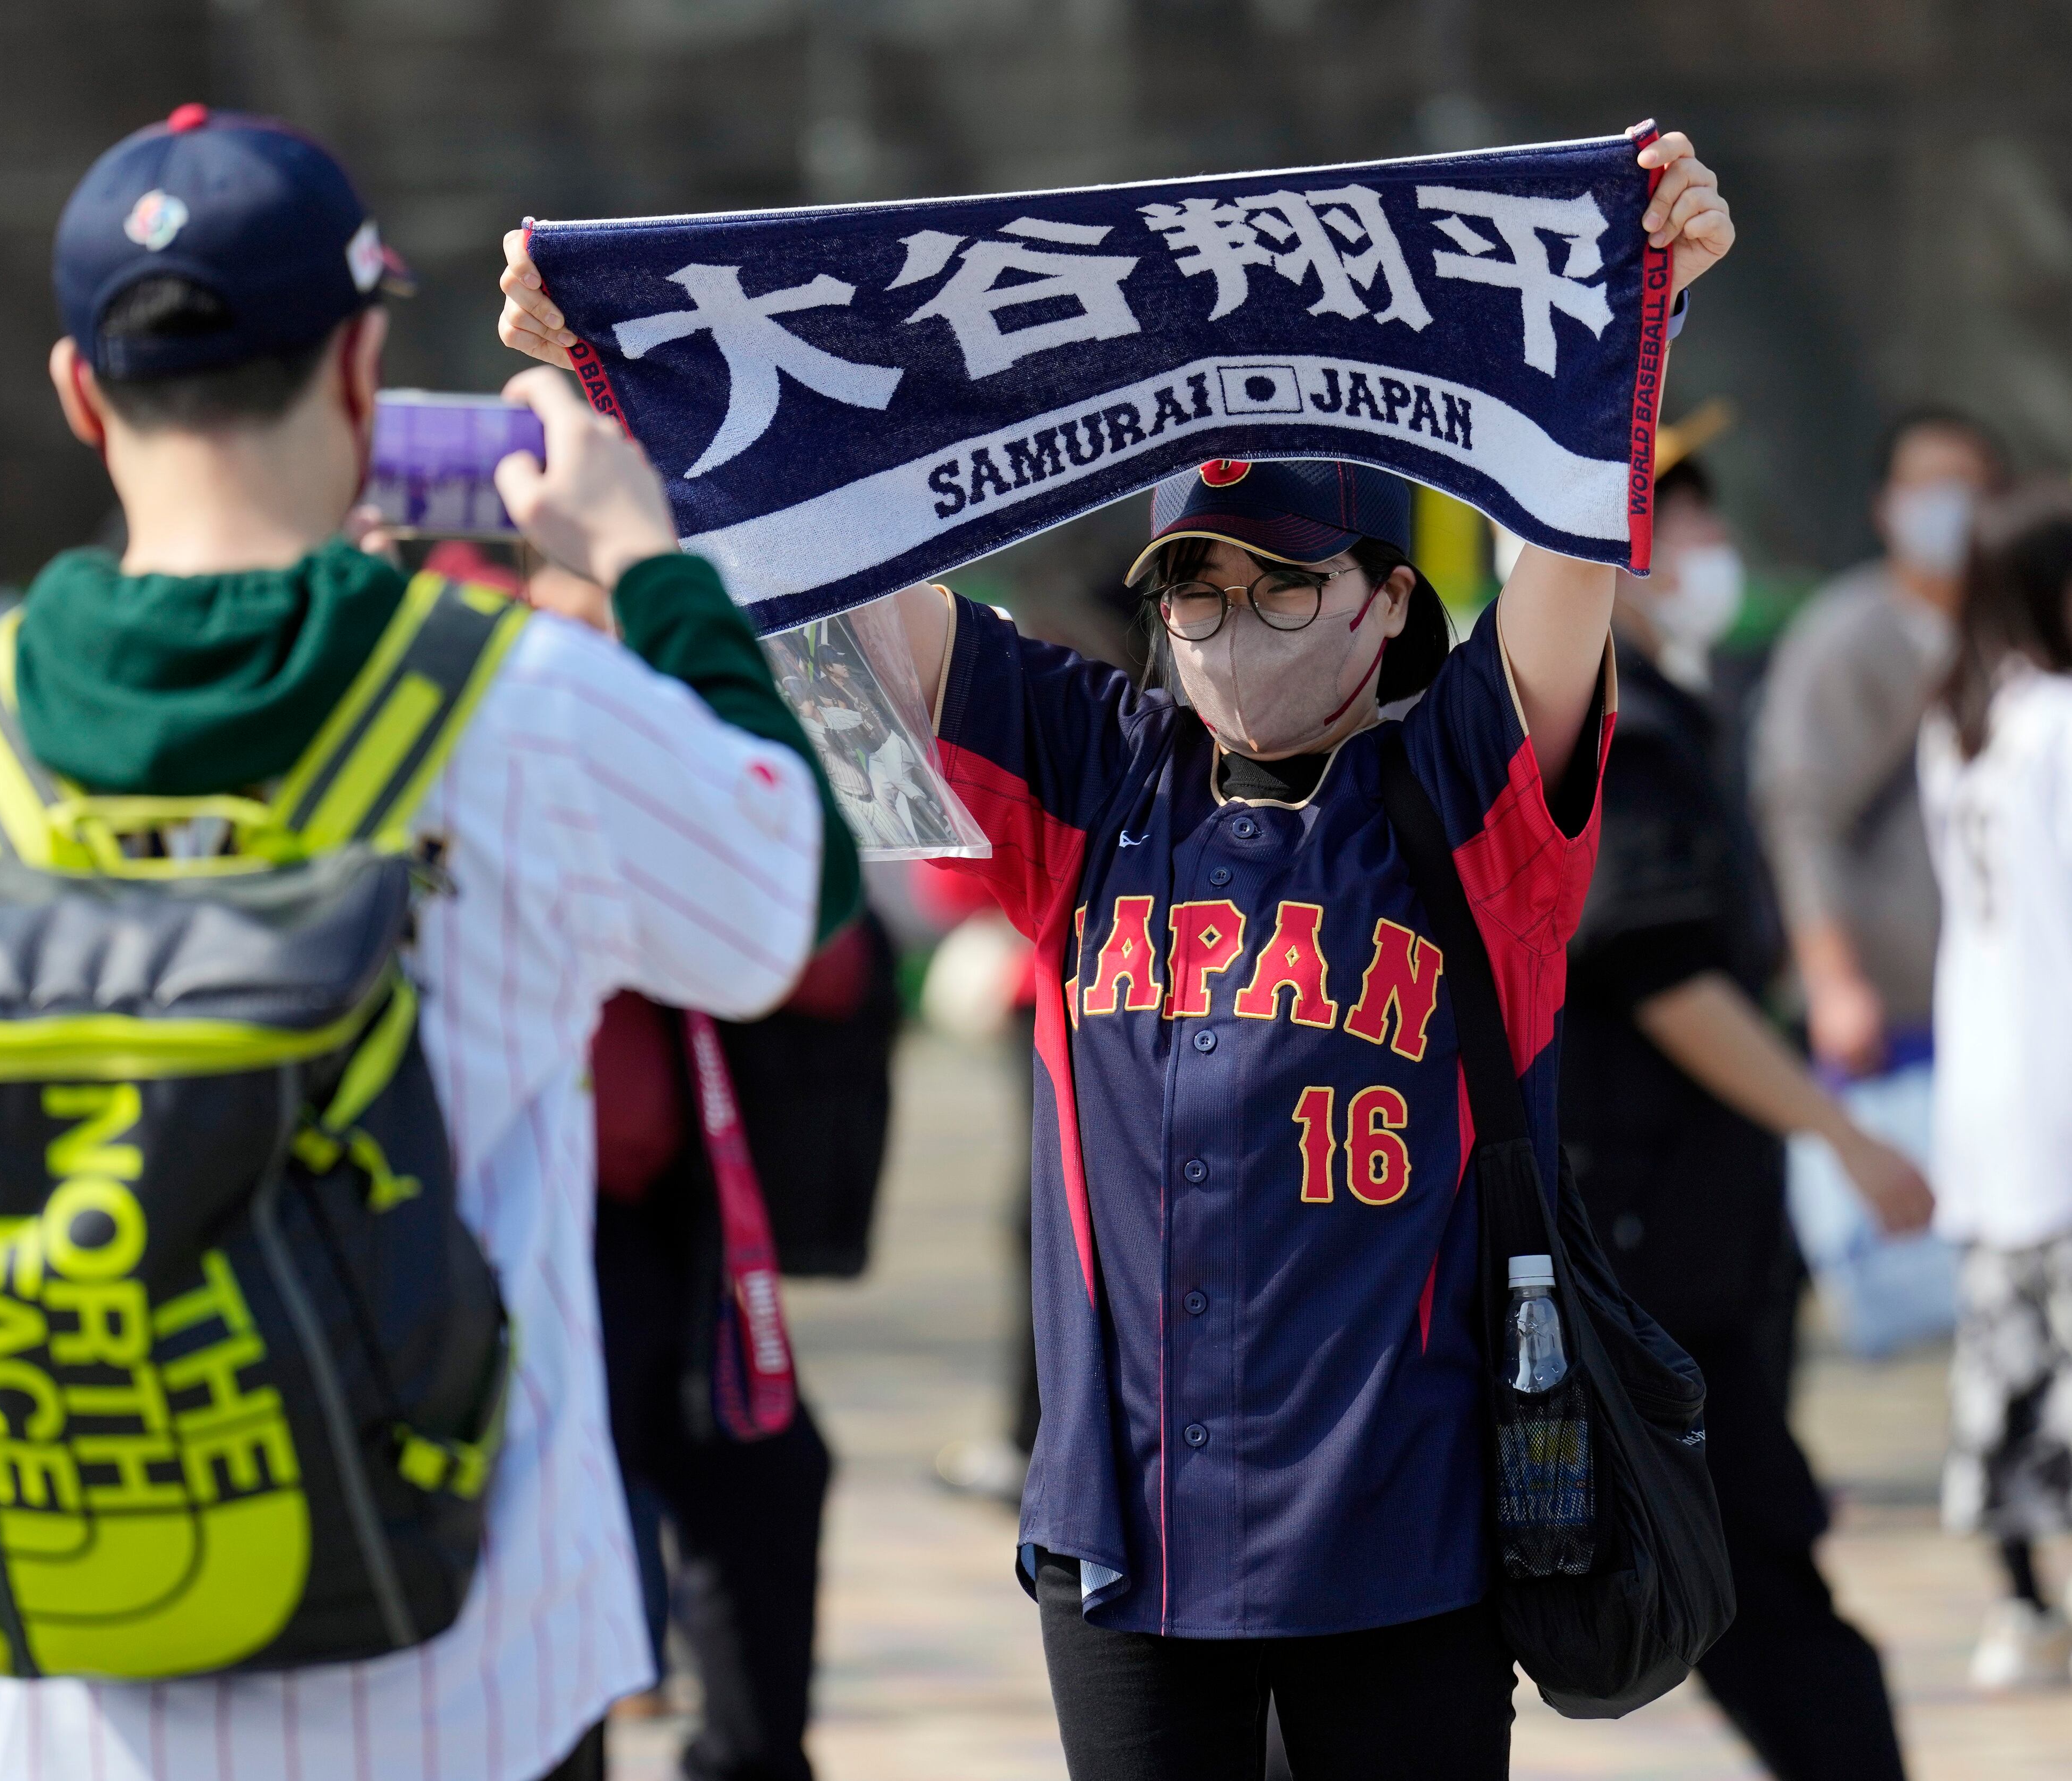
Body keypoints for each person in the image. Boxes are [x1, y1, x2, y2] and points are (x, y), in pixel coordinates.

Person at [519, 131, 1734, 1781]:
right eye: (1190, 588)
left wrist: (1632, 296)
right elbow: (850, 554)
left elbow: (1569, 545)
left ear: (1385, 603)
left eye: (1279, 585)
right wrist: (626, 368)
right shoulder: (1093, 771)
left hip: (1408, 1540)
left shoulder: (1460, 798)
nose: (1227, 624)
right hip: (1124, 1536)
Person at [0, 107, 855, 1781]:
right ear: (358, 369)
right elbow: (789, 897)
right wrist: (639, 562)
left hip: (66, 1677)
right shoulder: (514, 707)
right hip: (449, 1665)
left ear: (75, 390)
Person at [1563, 449, 1923, 1777]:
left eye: (1703, 507)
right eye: (1673, 512)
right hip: (1645, 1252)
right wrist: (1841, 1134)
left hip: (1680, 1233)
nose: (1701, 539)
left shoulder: (1670, 705)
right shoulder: (1618, 729)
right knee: (1756, 1585)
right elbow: (1662, 973)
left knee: (1746, 1582)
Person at [1919, 487, 2072, 1690]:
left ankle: (2021, 1607)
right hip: (2056, 1093)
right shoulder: (2060, 722)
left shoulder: (1962, 720)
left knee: (2008, 1366)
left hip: (1991, 1099)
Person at [1754, 408, 2008, 1081]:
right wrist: (1834, 984)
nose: (1952, 507)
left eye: (1970, 486)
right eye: (1930, 487)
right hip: (1888, 1026)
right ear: (1884, 508)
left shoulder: (2019, 639)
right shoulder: (1842, 638)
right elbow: (1801, 817)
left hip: (2007, 1008)